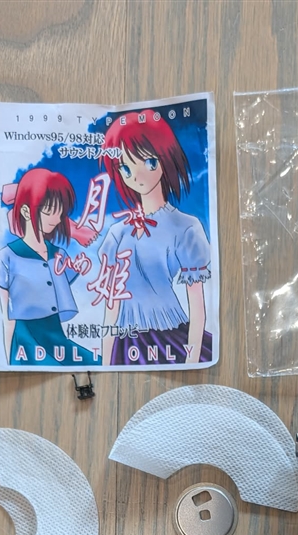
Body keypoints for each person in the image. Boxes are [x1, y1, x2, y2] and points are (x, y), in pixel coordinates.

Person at [97, 109, 212, 366]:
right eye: (126, 168)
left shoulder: (186, 227)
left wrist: (192, 360)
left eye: (148, 162)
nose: (137, 176)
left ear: (165, 158)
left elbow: (197, 308)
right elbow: (111, 309)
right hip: (125, 341)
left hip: (170, 336)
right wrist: (104, 362)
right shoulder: (117, 233)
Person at [0, 168, 95, 366]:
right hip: (26, 339)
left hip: (57, 336)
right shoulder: (7, 256)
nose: (56, 219)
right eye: (49, 211)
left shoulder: (58, 254)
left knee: (96, 362)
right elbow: (6, 316)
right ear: (25, 211)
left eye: (60, 212)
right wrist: (8, 361)